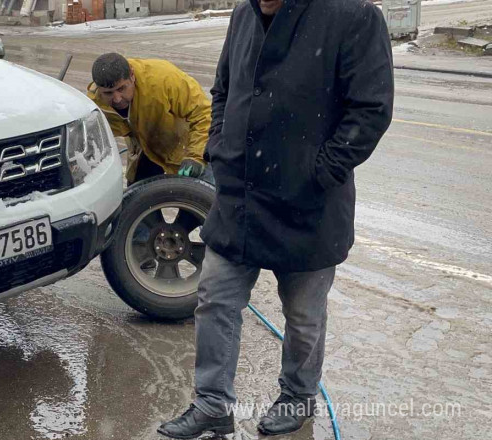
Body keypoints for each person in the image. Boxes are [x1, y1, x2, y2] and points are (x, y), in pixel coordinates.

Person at [157, 0, 394, 437]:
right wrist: (220, 149)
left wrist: (320, 170)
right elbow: (224, 89)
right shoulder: (243, 15)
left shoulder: (352, 15)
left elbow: (371, 109)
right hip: (241, 196)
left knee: (303, 316)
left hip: (310, 204)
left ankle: (298, 396)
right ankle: (212, 403)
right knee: (215, 299)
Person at [87, 53, 212, 185]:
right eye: (108, 93)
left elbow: (204, 113)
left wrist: (197, 156)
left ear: (132, 76)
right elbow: (89, 142)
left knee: (196, 196)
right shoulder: (94, 105)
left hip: (186, 143)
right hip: (144, 148)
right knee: (137, 196)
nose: (117, 99)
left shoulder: (164, 78)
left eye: (122, 88)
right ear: (98, 89)